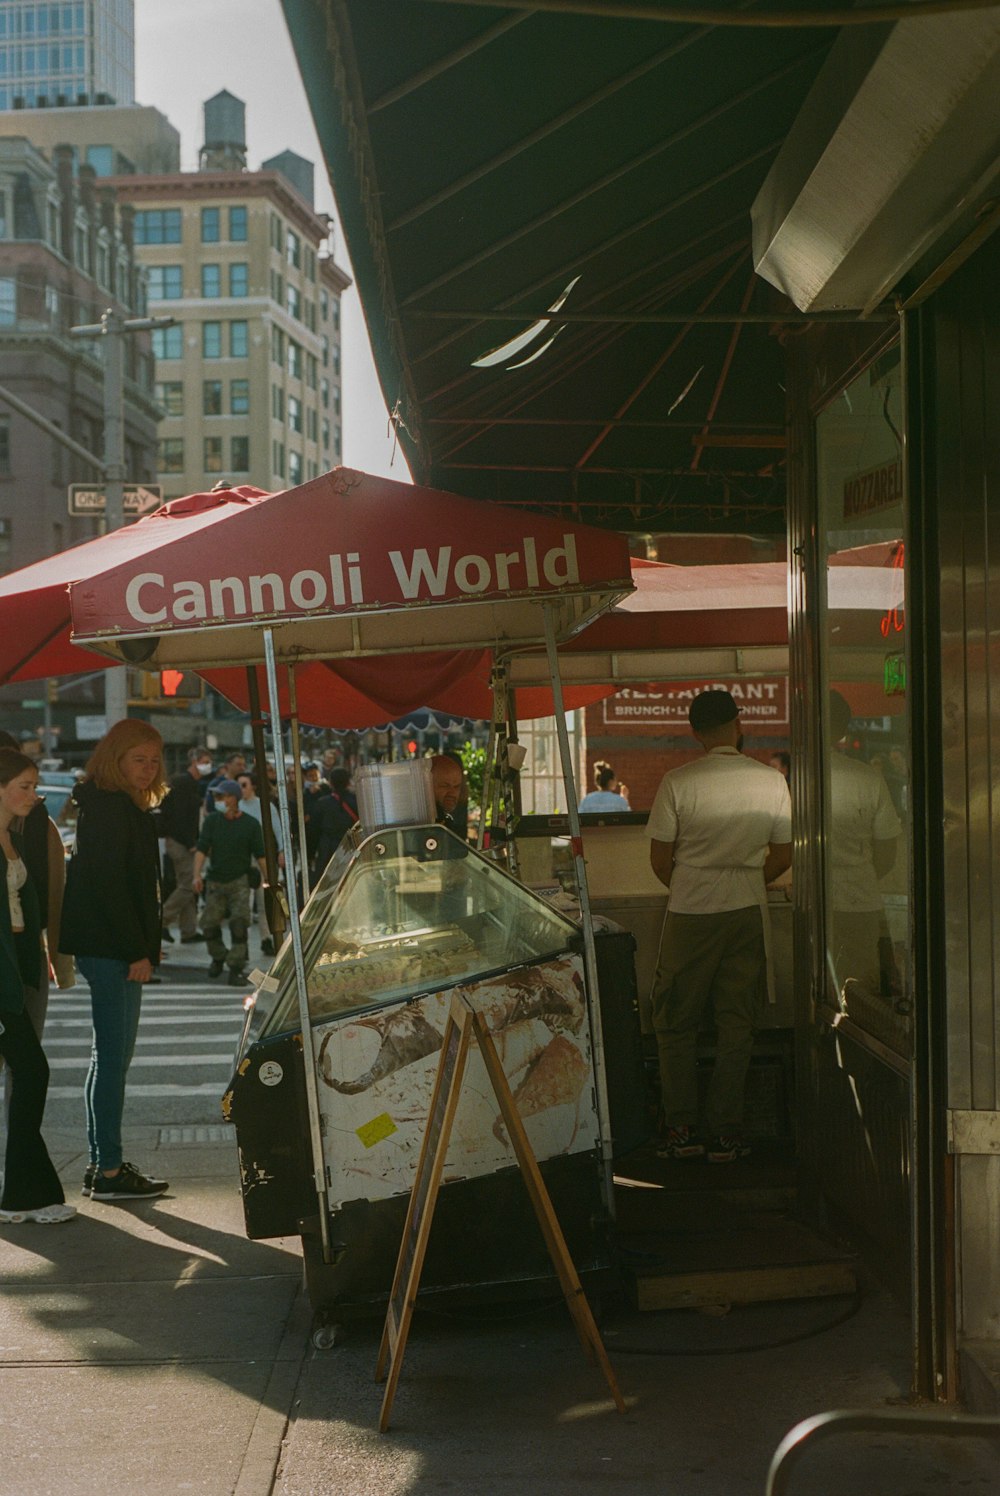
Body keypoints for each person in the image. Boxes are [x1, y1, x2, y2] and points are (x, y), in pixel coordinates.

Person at [647, 689, 791, 1165]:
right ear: (738, 724)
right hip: (747, 909)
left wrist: (693, 885)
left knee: (675, 1022)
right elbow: (785, 853)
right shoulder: (771, 781)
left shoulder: (677, 782)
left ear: (694, 732)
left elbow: (660, 860)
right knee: (737, 1022)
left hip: (690, 911)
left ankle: (682, 1127)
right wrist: (747, 879)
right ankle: (727, 1133)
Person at [59, 719, 168, 1201]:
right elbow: (111, 887)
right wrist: (136, 952)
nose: (148, 769)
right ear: (116, 759)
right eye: (138, 759)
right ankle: (108, 1171)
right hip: (112, 950)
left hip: (108, 947)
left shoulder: (114, 805)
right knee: (113, 1061)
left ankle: (102, 1164)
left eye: (154, 760)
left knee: (108, 1058)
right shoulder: (109, 807)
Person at [0, 750, 76, 1224]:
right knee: (32, 1072)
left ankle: (25, 1194)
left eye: (34, 787)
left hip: (15, 980)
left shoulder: (12, 837)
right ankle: (26, 1195)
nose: (33, 795)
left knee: (30, 1074)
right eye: (24, 786)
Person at [827, 691, 902, 1000]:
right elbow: (886, 851)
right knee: (860, 995)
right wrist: (862, 875)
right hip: (861, 900)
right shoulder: (868, 778)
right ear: (843, 731)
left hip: (811, 904)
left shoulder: (793, 780)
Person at [193, 779, 267, 985]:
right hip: (216, 880)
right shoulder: (211, 822)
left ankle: (236, 967)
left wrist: (269, 878)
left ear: (233, 798)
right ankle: (218, 956)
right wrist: (196, 875)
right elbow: (201, 849)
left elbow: (260, 854)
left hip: (239, 881)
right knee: (208, 924)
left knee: (239, 924)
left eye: (221, 796)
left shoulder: (251, 825)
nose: (217, 800)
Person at [158, 746, 213, 944]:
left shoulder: (191, 783)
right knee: (189, 884)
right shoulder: (183, 783)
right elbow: (180, 816)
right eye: (205, 762)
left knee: (188, 883)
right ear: (194, 761)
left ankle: (188, 930)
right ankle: (162, 921)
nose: (208, 766)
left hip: (184, 840)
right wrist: (190, 842)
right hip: (180, 841)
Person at [236, 771, 283, 956]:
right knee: (245, 902)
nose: (241, 789)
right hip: (244, 859)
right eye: (239, 785)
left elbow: (277, 829)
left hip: (263, 857)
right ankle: (244, 941)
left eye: (244, 785)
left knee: (264, 900)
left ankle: (266, 938)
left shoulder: (265, 806)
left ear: (253, 786)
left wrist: (281, 851)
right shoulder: (238, 806)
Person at [311, 767, 359, 879]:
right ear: (348, 782)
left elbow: (313, 831)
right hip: (351, 850)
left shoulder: (322, 804)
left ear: (331, 783)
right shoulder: (358, 801)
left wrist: (311, 855)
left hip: (327, 852)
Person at [430, 754, 465, 829]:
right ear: (427, 785)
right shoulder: (415, 824)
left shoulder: (447, 822)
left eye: (456, 786)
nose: (452, 793)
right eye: (445, 786)